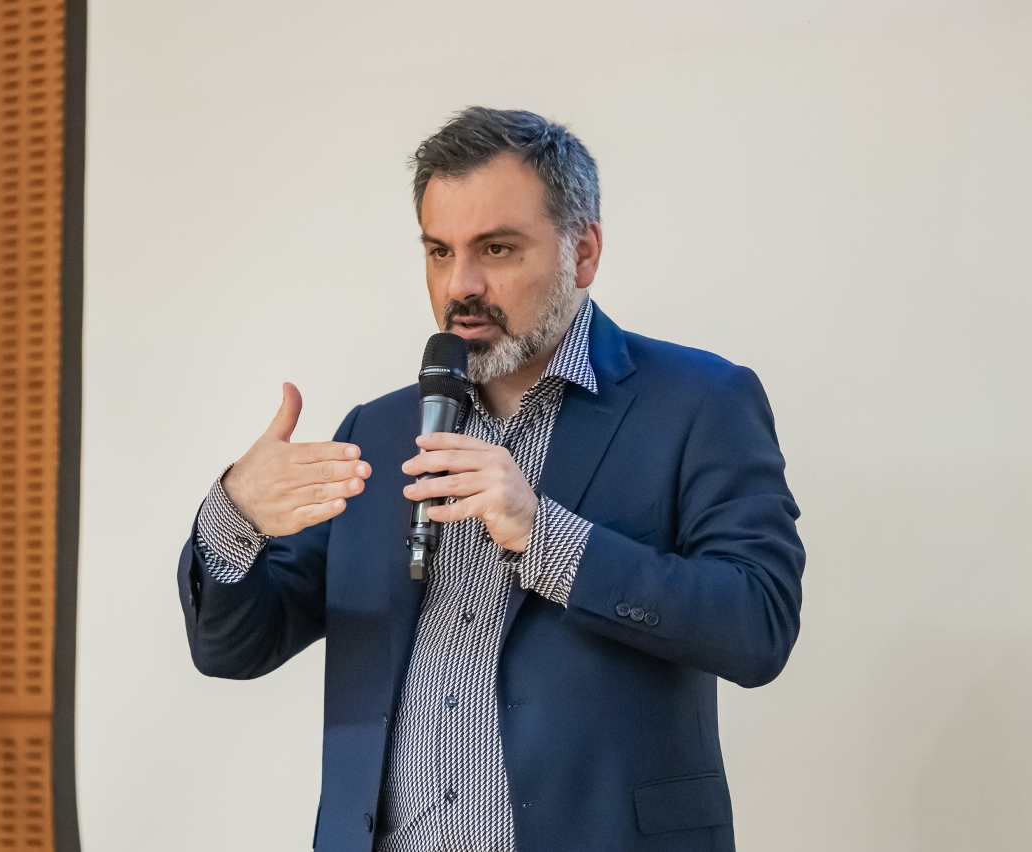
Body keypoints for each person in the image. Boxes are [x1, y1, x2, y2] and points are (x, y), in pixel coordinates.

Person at [178, 107, 804, 852]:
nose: (461, 285)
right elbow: (236, 649)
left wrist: (547, 537)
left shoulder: (698, 402)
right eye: (439, 251)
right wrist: (236, 515)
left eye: (497, 249)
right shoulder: (377, 431)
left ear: (584, 252)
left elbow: (757, 626)